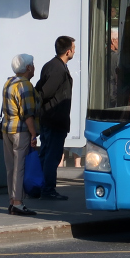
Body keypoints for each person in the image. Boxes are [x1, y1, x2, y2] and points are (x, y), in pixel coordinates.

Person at [35, 36, 75, 201]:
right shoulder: (58, 69)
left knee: (46, 154)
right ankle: (48, 189)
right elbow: (45, 92)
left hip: (50, 119)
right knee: (52, 155)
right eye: (73, 48)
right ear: (68, 51)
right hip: (54, 119)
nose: (74, 51)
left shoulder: (52, 65)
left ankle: (41, 186)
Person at [2, 54, 39, 216]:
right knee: (19, 167)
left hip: (7, 129)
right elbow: (28, 113)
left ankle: (12, 201)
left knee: (10, 167)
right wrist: (33, 134)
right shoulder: (26, 86)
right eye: (33, 65)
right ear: (28, 68)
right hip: (20, 131)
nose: (34, 67)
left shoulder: (9, 82)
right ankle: (18, 202)